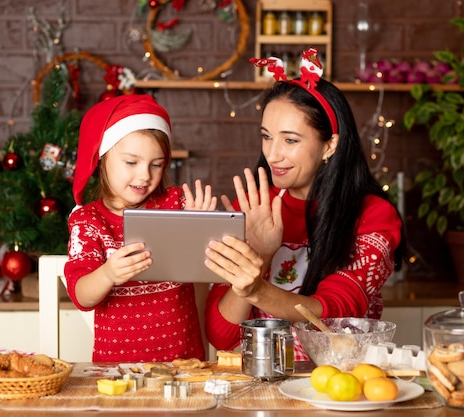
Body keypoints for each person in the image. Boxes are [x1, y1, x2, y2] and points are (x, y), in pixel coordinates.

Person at [203, 49, 405, 361]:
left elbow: (336, 317)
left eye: (291, 140)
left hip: (339, 386)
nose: (272, 155)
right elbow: (223, 336)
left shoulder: (373, 215)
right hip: (262, 388)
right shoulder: (255, 208)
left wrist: (256, 285)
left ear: (330, 145)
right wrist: (261, 254)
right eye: (266, 137)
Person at [64, 94, 217, 362]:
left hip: (183, 362)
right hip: (118, 369)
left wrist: (203, 230)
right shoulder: (88, 221)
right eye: (131, 162)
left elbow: (208, 266)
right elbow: (82, 295)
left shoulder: (175, 203)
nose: (145, 175)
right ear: (102, 158)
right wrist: (108, 273)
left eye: (156, 164)